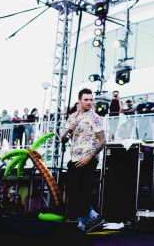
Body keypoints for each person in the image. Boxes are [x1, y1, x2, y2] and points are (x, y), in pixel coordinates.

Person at [61, 88, 106, 233]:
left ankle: (81, 222)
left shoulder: (95, 117)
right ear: (79, 101)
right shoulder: (72, 117)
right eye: (86, 99)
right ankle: (92, 214)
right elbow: (62, 139)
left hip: (89, 157)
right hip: (74, 157)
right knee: (72, 189)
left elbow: (103, 141)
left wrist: (89, 157)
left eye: (91, 99)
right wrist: (68, 130)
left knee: (84, 189)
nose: (89, 102)